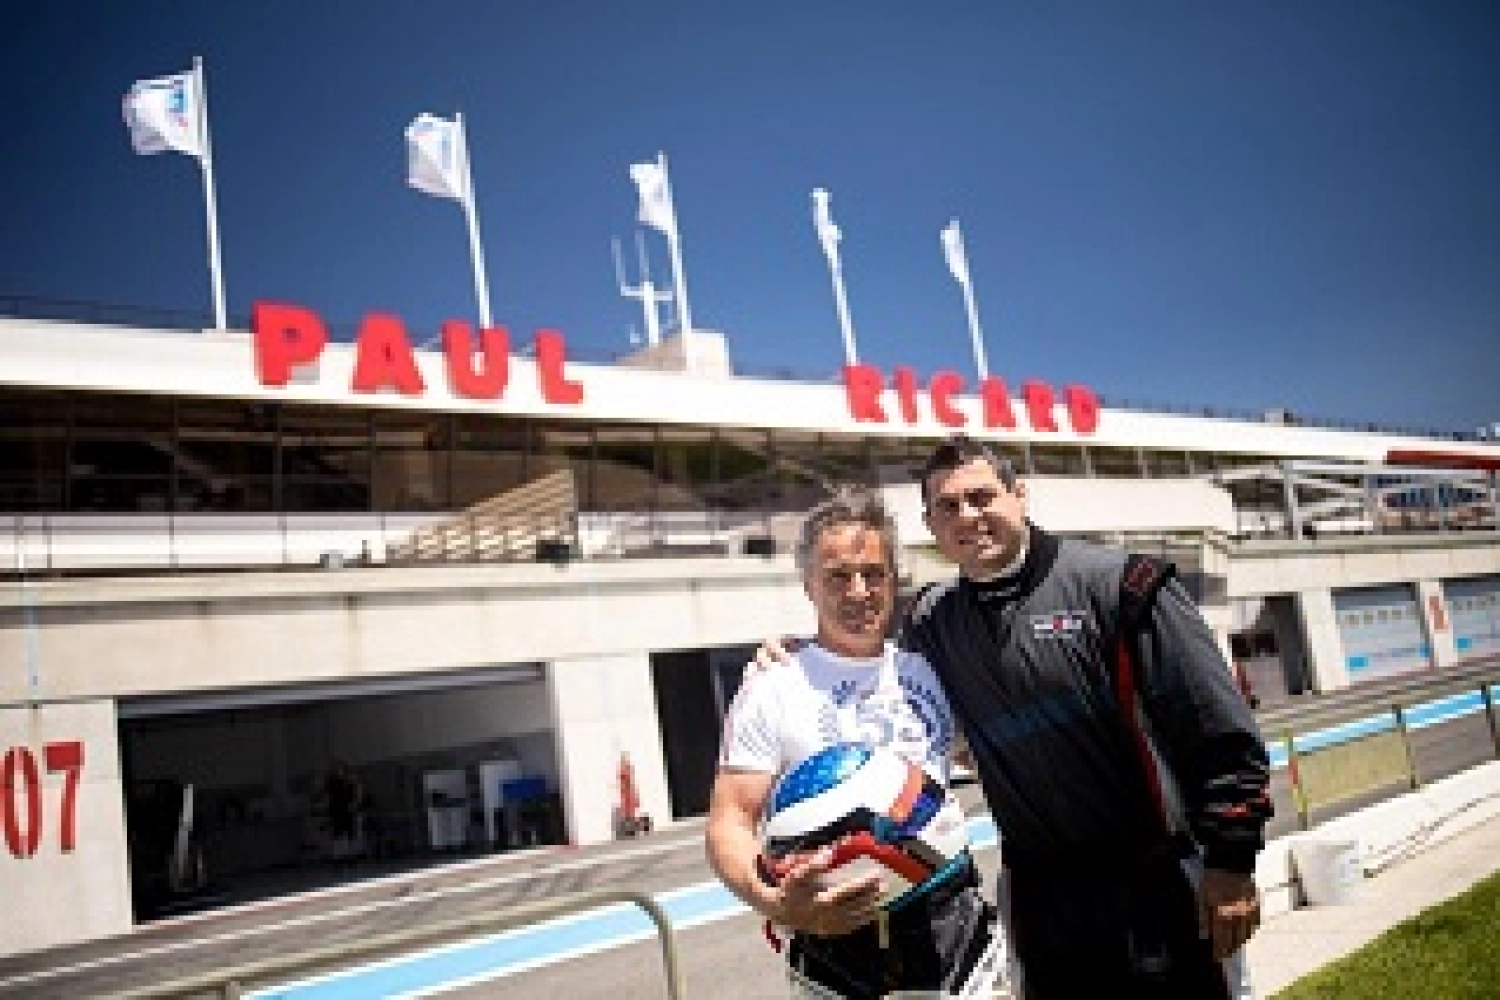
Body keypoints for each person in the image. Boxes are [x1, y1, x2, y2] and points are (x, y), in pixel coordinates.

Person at [758, 435, 1273, 998]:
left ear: (1019, 497)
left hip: (1161, 882)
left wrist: (1231, 863)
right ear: (930, 525)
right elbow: (860, 639)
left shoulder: (1125, 588)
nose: (969, 516)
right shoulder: (933, 622)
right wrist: (798, 654)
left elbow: (1221, 731)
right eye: (948, 506)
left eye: (982, 497)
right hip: (1042, 906)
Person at [706, 487, 998, 999]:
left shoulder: (931, 669)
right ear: (809, 585)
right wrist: (775, 904)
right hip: (835, 946)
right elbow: (730, 820)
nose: (859, 591)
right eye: (838, 576)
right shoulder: (773, 686)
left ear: (893, 580)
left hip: (950, 930)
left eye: (873, 573)